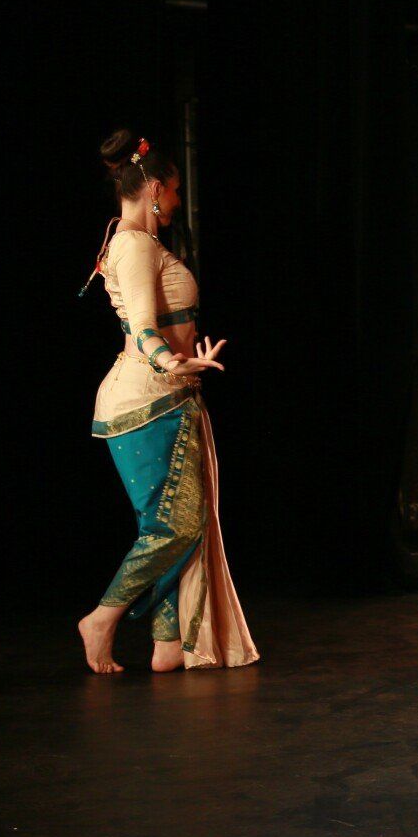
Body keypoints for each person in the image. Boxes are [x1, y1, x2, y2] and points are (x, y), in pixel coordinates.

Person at [78, 129, 259, 674]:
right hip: (148, 398)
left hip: (166, 395)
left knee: (168, 523)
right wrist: (170, 361)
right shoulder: (133, 244)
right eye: (175, 190)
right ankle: (102, 619)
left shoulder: (143, 242)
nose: (178, 201)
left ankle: (166, 643)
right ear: (155, 186)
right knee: (176, 527)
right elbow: (142, 324)